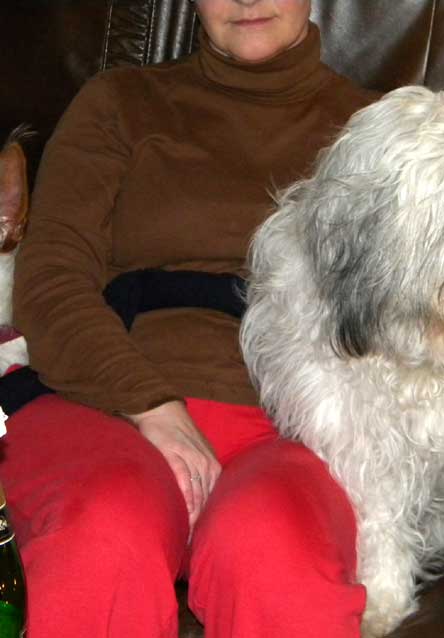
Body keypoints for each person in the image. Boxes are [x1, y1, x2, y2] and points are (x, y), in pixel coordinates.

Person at [2, 1, 377, 636]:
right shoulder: (119, 104)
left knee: (275, 553)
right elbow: (48, 280)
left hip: (295, 426)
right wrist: (147, 402)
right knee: (103, 530)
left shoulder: (385, 130)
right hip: (104, 402)